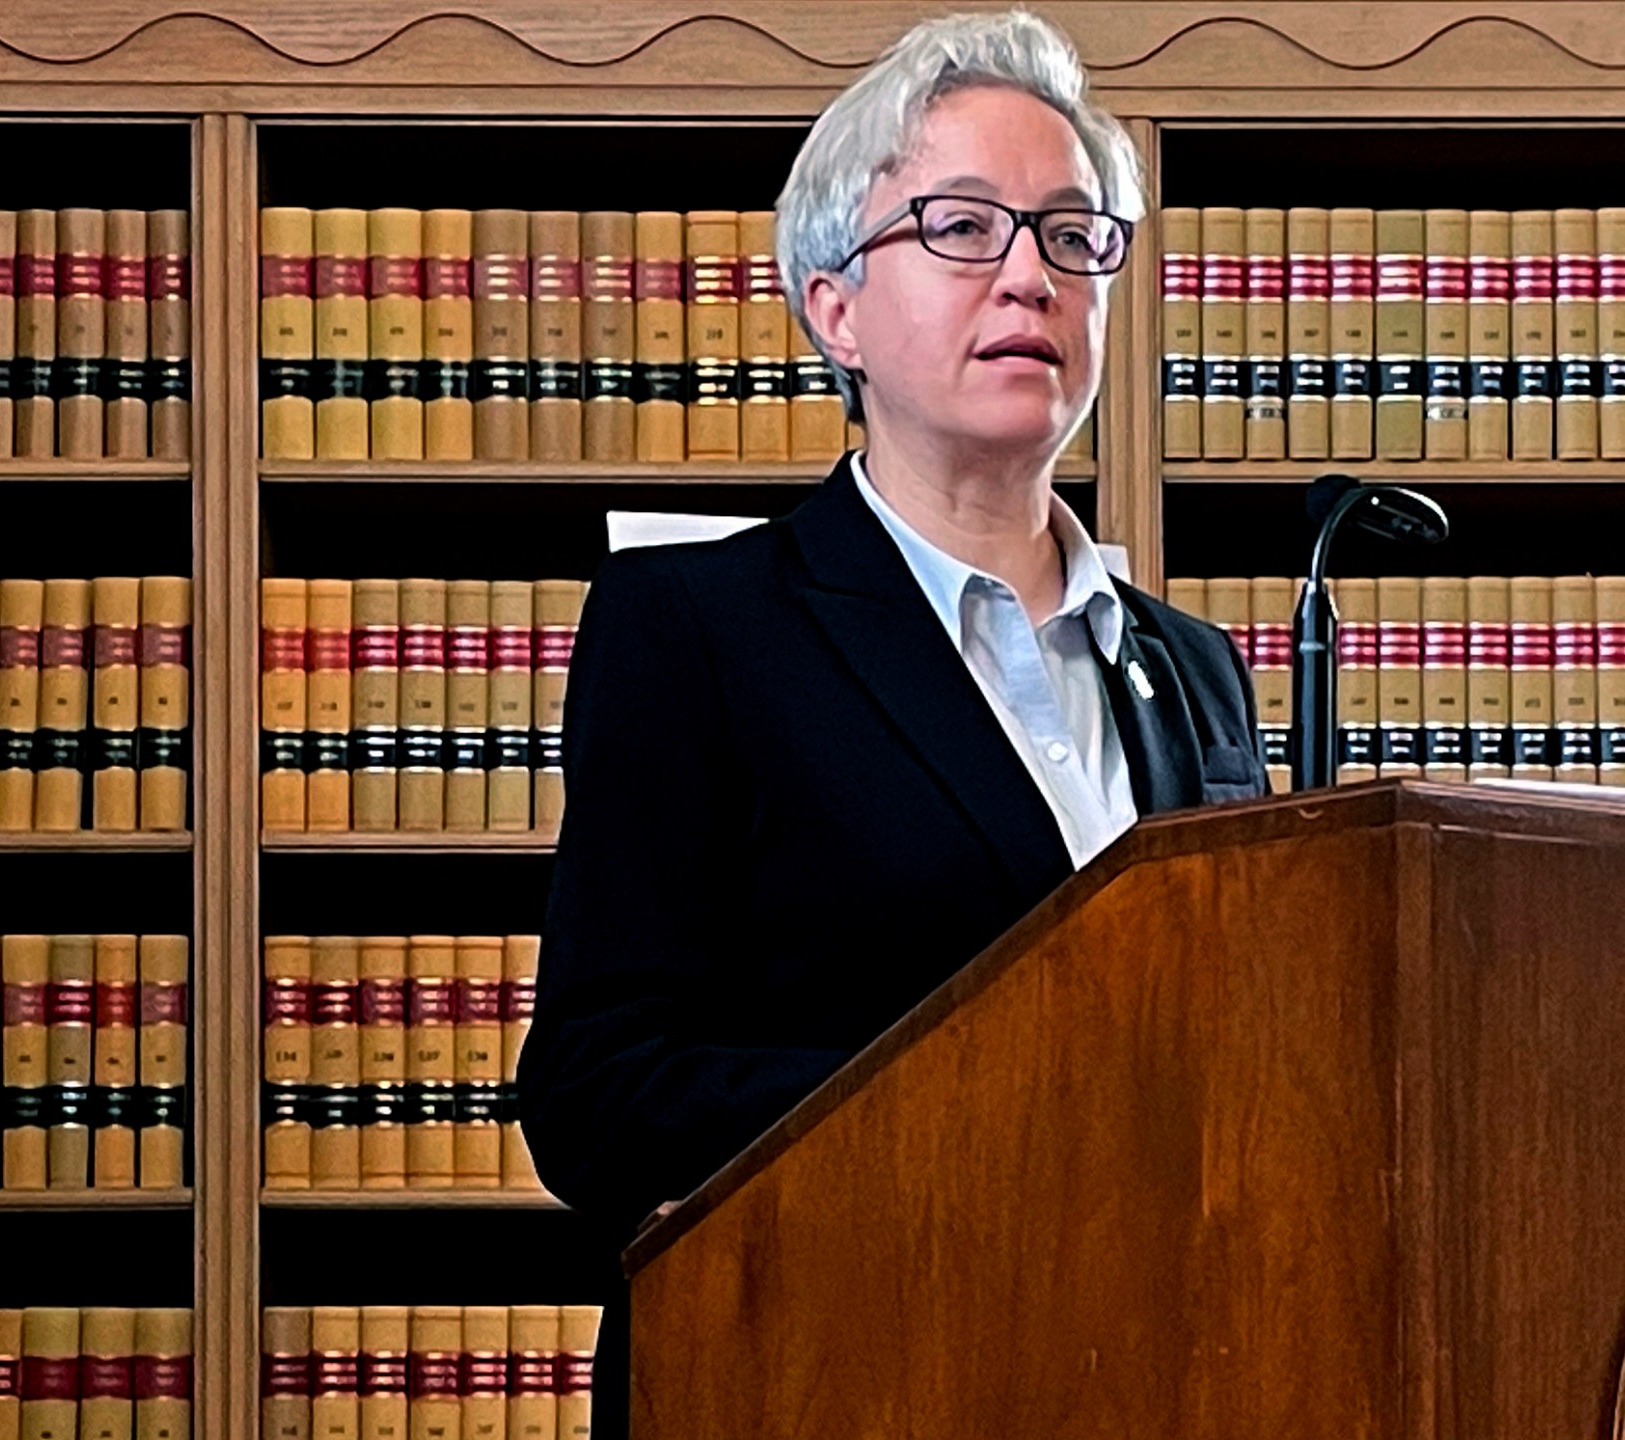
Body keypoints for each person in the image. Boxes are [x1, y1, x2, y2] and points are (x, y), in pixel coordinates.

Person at [514, 9, 1270, 1426]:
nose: (1030, 277)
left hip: (1162, 1373)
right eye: (965, 227)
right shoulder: (699, 631)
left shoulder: (1194, 668)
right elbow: (600, 1095)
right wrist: (1006, 1102)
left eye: (1071, 233)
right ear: (832, 306)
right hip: (833, 1368)